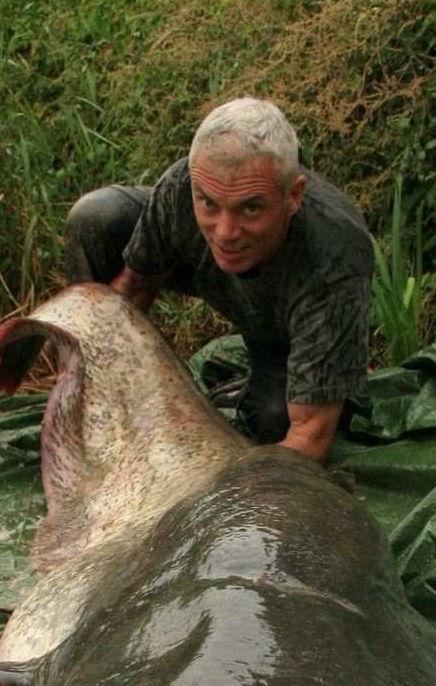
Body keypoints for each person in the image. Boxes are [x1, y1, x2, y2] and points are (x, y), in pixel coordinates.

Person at [63, 97, 374, 462]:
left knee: (274, 420)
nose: (225, 232)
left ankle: (273, 380)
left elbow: (309, 434)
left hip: (284, 329)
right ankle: (95, 394)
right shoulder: (181, 188)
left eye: (251, 207)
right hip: (211, 273)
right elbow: (133, 288)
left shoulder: (334, 257)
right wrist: (85, 374)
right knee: (97, 217)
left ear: (293, 196)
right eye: (208, 203)